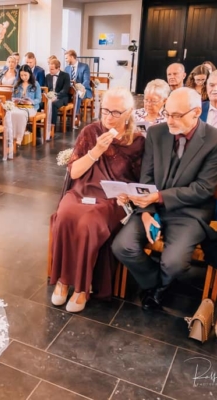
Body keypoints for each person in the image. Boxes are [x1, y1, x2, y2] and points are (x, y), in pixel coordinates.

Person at [112, 87, 217, 311]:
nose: (169, 120)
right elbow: (147, 177)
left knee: (175, 263)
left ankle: (161, 286)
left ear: (196, 112)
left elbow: (203, 189)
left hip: (189, 212)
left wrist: (159, 197)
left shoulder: (213, 140)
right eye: (167, 113)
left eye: (177, 115)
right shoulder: (157, 133)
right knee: (122, 246)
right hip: (152, 204)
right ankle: (157, 285)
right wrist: (147, 212)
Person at [49, 87, 145, 313]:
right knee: (65, 214)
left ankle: (82, 288)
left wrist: (129, 195)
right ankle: (63, 280)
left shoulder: (138, 141)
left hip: (113, 199)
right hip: (83, 190)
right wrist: (95, 152)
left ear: (129, 112)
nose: (108, 118)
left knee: (89, 222)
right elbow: (74, 173)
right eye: (105, 111)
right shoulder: (90, 132)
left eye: (115, 113)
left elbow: (140, 181)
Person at [8, 65, 42, 145]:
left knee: (22, 114)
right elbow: (13, 97)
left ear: (30, 74)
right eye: (21, 75)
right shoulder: (17, 84)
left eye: (25, 75)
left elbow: (39, 99)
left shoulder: (35, 84)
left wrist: (31, 102)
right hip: (18, 106)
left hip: (31, 107)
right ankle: (12, 136)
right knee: (11, 113)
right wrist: (15, 100)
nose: (23, 77)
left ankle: (19, 137)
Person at [64, 49, 92, 126]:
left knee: (78, 95)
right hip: (70, 90)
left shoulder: (84, 66)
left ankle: (75, 117)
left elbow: (86, 80)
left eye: (66, 58)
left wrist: (80, 88)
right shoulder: (67, 69)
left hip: (83, 90)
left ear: (72, 57)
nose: (65, 60)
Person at [45, 57, 71, 125]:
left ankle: (52, 125)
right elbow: (45, 88)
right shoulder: (48, 76)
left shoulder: (65, 75)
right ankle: (38, 126)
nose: (50, 71)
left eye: (52, 69)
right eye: (49, 69)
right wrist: (47, 96)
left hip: (62, 97)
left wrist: (56, 96)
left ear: (58, 68)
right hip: (49, 97)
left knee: (53, 104)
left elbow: (65, 90)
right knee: (39, 104)